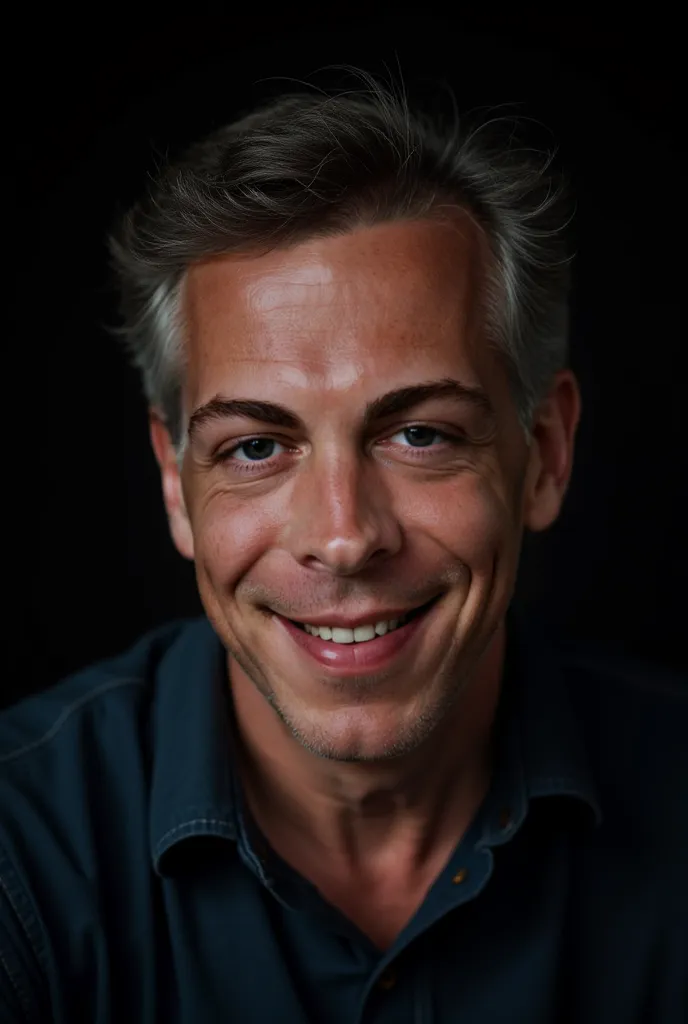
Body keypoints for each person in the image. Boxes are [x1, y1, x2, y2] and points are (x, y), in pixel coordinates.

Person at [2, 70, 686, 1024]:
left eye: (421, 435)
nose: (343, 536)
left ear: (546, 454)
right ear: (175, 484)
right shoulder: (21, 853)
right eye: (254, 448)